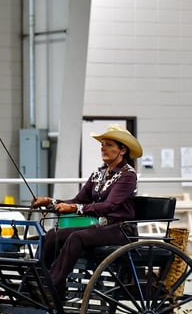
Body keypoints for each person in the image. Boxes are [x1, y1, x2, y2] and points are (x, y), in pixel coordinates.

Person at [31, 124, 141, 299]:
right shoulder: (99, 173)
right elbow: (78, 200)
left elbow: (109, 206)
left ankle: (52, 285)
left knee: (77, 237)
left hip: (120, 230)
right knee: (52, 235)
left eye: (109, 145)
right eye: (102, 144)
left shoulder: (128, 176)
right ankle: (36, 281)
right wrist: (50, 203)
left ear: (123, 150)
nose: (103, 148)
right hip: (99, 228)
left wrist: (74, 208)